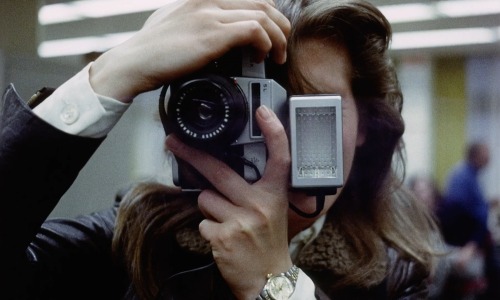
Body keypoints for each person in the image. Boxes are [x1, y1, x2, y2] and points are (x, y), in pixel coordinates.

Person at [1, 0, 441, 299]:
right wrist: (116, 71)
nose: (277, 142)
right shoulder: (135, 239)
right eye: (255, 108)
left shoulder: (398, 275)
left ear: (365, 125)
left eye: (308, 112)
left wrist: (274, 282)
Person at [438, 142, 500, 299]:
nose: (489, 158)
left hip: (472, 242)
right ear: (476, 155)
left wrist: (486, 204)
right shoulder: (462, 176)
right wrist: (471, 245)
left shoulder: (472, 175)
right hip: (464, 244)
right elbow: (465, 214)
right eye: (486, 154)